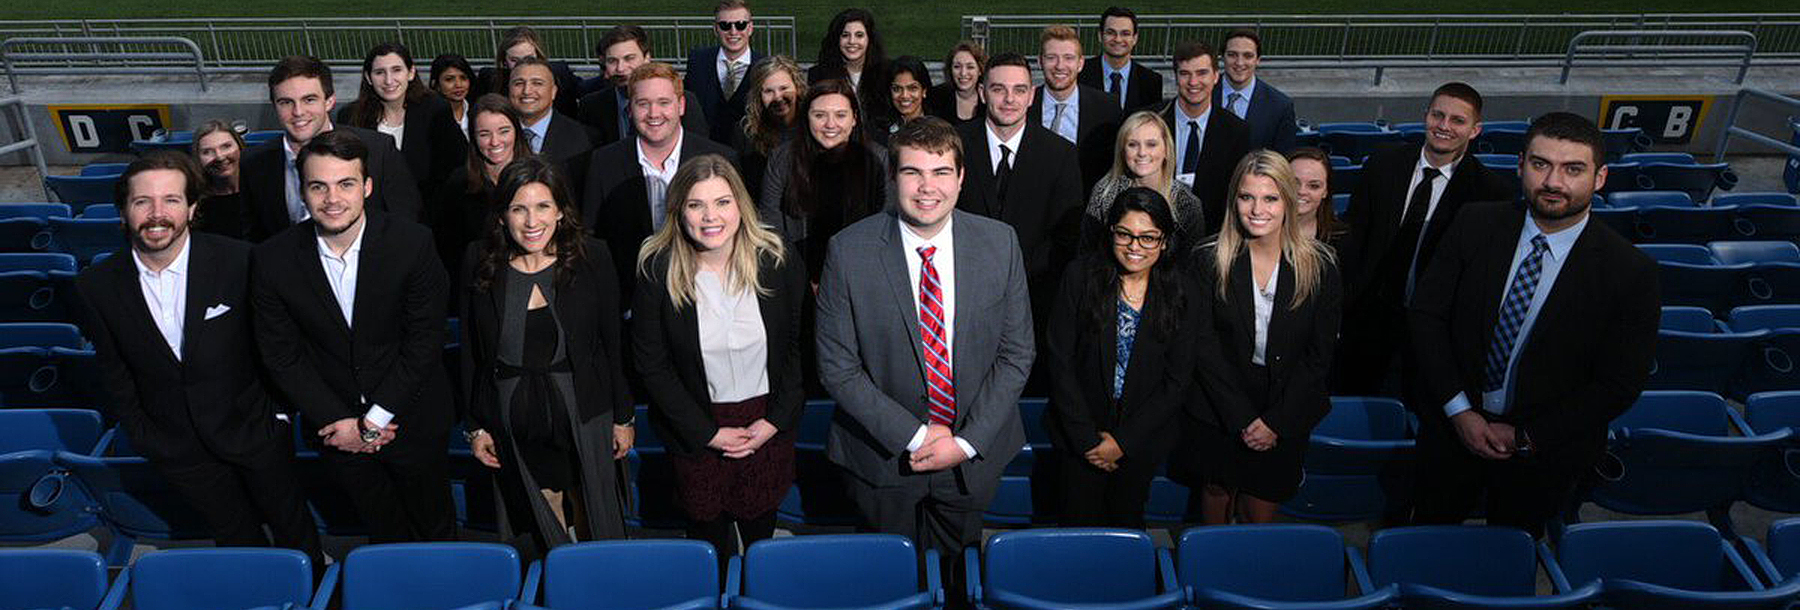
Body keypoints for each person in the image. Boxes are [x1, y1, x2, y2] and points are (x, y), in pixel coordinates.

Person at [1408, 112, 1658, 538]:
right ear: (1521, 165)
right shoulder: (1473, 223)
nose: (1554, 182)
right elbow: (1427, 317)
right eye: (1541, 164)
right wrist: (1461, 412)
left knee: (1513, 550)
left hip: (1544, 453)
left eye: (1573, 169)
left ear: (1600, 178)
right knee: (1429, 534)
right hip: (1450, 431)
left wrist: (1526, 437)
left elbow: (1619, 383)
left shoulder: (1631, 273)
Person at [815, 117, 1031, 601]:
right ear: (892, 179)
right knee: (890, 587)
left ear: (961, 178)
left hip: (970, 459)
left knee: (962, 585)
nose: (927, 187)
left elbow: (1017, 354)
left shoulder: (1000, 243)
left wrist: (967, 440)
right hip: (882, 460)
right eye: (913, 173)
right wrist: (915, 435)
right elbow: (837, 367)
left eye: (940, 172)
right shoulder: (848, 252)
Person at [74, 151, 322, 565]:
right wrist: (145, 434)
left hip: (255, 430)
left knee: (292, 526)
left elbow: (278, 344)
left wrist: (277, 415)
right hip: (176, 445)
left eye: (171, 200)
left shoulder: (239, 260)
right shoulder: (94, 285)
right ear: (123, 212)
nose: (157, 214)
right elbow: (113, 369)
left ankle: (313, 590)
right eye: (142, 202)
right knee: (234, 538)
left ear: (191, 207)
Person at [251, 130, 456, 543]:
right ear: (303, 190)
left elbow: (424, 342)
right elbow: (281, 355)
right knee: (382, 533)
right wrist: (341, 423)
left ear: (366, 186)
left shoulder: (412, 243)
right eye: (318, 186)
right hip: (335, 430)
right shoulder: (272, 259)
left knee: (435, 528)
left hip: (411, 418)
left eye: (345, 184)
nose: (332, 199)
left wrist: (374, 421)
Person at [633, 154, 805, 561]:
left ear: (740, 206)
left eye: (722, 202)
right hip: (696, 430)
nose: (711, 216)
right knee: (710, 550)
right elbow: (651, 365)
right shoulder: (657, 269)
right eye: (696, 205)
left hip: (765, 424)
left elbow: (799, 348)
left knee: (763, 549)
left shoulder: (776, 260)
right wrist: (706, 433)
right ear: (679, 211)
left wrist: (774, 422)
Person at [460, 156, 631, 558]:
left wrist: (623, 416)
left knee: (592, 508)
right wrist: (475, 427)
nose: (531, 221)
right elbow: (471, 351)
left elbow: (612, 342)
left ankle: (597, 586)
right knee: (540, 517)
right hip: (513, 415)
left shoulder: (593, 256)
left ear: (560, 211)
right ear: (502, 216)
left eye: (542, 207)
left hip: (583, 407)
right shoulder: (477, 259)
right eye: (518, 208)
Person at [1180, 150, 1342, 525]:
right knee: (1216, 493)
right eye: (1246, 196)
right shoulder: (1206, 259)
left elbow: (1319, 356)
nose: (1257, 209)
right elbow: (1202, 347)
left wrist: (1275, 423)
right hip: (1218, 403)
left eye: (1270, 198)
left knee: (1261, 505)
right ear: (1233, 199)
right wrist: (1241, 417)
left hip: (1286, 404)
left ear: (1288, 200)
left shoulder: (1321, 265)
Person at [1335, 82, 1513, 397]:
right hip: (1366, 319)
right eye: (1438, 115)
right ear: (1425, 115)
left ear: (1475, 130)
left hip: (1434, 331)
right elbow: (1355, 235)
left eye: (1457, 121)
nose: (1444, 126)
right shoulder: (1383, 163)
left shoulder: (1490, 193)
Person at [1044, 186, 1199, 528]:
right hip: (1079, 437)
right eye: (1125, 234)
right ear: (1111, 232)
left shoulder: (1184, 292)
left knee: (1127, 527)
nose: (1134, 247)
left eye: (1148, 238)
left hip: (1141, 440)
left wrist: (1123, 442)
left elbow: (1177, 381)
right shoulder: (1079, 277)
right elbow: (1059, 360)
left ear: (1164, 241)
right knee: (1076, 529)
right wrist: (1087, 440)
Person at [956, 52, 1083, 359]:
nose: (1009, 99)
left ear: (1031, 96)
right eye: (999, 89)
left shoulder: (1060, 154)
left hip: (1033, 301)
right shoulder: (954, 144)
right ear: (983, 93)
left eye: (1019, 90)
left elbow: (1066, 237)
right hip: (961, 296)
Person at [583, 62, 738, 305]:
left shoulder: (721, 159)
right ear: (630, 110)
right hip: (631, 301)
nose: (654, 113)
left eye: (664, 103)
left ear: (681, 106)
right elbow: (592, 237)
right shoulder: (603, 162)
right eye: (643, 104)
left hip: (707, 296)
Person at [240, 55, 421, 242]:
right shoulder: (254, 163)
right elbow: (254, 240)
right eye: (286, 102)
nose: (298, 112)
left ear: (330, 101)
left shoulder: (378, 150)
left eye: (309, 100)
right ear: (274, 106)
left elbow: (406, 225)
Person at [760, 79, 889, 283]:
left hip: (862, 274)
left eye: (840, 115)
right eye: (819, 115)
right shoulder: (782, 159)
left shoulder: (879, 160)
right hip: (796, 272)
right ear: (807, 118)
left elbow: (885, 224)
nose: (830, 124)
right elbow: (770, 224)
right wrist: (800, 277)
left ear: (854, 119)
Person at [339, 42, 466, 197]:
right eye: (380, 72)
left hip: (427, 212)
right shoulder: (350, 116)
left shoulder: (435, 111)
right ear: (368, 77)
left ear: (411, 73)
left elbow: (456, 165)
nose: (389, 80)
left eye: (397, 70)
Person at [433, 94, 534, 281]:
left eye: (504, 131)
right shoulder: (458, 184)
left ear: (517, 132)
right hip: (478, 283)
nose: (495, 142)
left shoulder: (538, 177)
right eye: (484, 134)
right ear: (473, 137)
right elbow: (447, 250)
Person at [1159, 41, 1250, 238]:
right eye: (1185, 74)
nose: (1193, 82)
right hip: (1155, 234)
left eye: (1202, 73)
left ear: (1216, 76)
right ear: (1176, 77)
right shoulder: (1151, 121)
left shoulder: (1236, 131)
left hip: (1210, 239)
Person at [1084, 111, 1206, 245]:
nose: (1142, 153)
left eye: (1151, 144)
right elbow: (1087, 252)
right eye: (1132, 145)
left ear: (1166, 150)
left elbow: (1193, 263)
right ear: (1122, 151)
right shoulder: (1104, 192)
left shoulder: (1187, 204)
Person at [578, 25, 709, 148]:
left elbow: (699, 149)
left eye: (629, 58)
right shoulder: (592, 106)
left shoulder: (681, 100)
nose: (621, 68)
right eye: (612, 61)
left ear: (647, 58)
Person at [1031, 25, 1123, 191]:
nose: (1060, 66)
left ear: (1080, 63)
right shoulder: (1024, 104)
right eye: (1051, 57)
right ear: (1040, 62)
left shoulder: (1107, 107)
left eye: (1068, 58)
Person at [687, 0, 764, 143]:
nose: (733, 32)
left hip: (752, 153)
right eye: (725, 25)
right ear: (715, 29)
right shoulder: (697, 61)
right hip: (704, 151)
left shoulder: (765, 66)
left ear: (750, 28)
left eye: (740, 25)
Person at [731, 55, 805, 197]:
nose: (778, 97)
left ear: (797, 87)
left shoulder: (813, 125)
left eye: (784, 88)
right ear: (758, 96)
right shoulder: (745, 132)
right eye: (768, 91)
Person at [1216, 29, 1299, 152]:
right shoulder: (1201, 93)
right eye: (1232, 55)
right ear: (1222, 57)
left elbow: (1282, 160)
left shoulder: (1280, 106)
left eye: (1248, 56)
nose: (1239, 63)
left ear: (1258, 60)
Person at [509, 57, 595, 171]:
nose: (527, 91)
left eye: (537, 83)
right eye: (518, 83)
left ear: (553, 91)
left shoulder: (585, 139)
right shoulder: (494, 135)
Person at [473, 26, 581, 117]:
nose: (522, 65)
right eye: (514, 60)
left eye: (529, 58)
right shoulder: (490, 80)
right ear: (504, 61)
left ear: (539, 56)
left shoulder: (560, 75)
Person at [806, 8, 890, 120]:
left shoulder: (887, 72)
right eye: (845, 35)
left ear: (869, 39)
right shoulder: (818, 75)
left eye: (859, 35)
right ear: (837, 39)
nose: (852, 41)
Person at [1079, 7, 1164, 113]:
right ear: (1100, 36)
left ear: (1135, 38)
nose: (1118, 39)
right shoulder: (1079, 74)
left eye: (1125, 34)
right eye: (1111, 33)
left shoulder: (1151, 81)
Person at [191, 120, 252, 240]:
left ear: (240, 146)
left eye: (226, 146)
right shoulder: (195, 201)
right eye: (207, 152)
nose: (219, 156)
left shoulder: (262, 189)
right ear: (198, 158)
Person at [1286, 147, 1348, 247]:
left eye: (1314, 186)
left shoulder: (1342, 238)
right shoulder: (1259, 231)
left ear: (1325, 192)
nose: (1301, 191)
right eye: (1294, 183)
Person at [871, 55, 931, 145]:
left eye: (912, 88)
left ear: (924, 91)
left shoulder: (939, 126)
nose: (904, 95)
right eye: (897, 89)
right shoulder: (878, 131)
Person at [925, 41, 986, 126]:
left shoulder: (989, 99)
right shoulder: (935, 97)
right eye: (957, 67)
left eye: (970, 67)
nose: (963, 73)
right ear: (950, 70)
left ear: (980, 70)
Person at [430, 54, 476, 138]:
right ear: (436, 84)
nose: (458, 85)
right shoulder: (430, 117)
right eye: (449, 79)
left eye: (463, 78)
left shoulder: (477, 110)